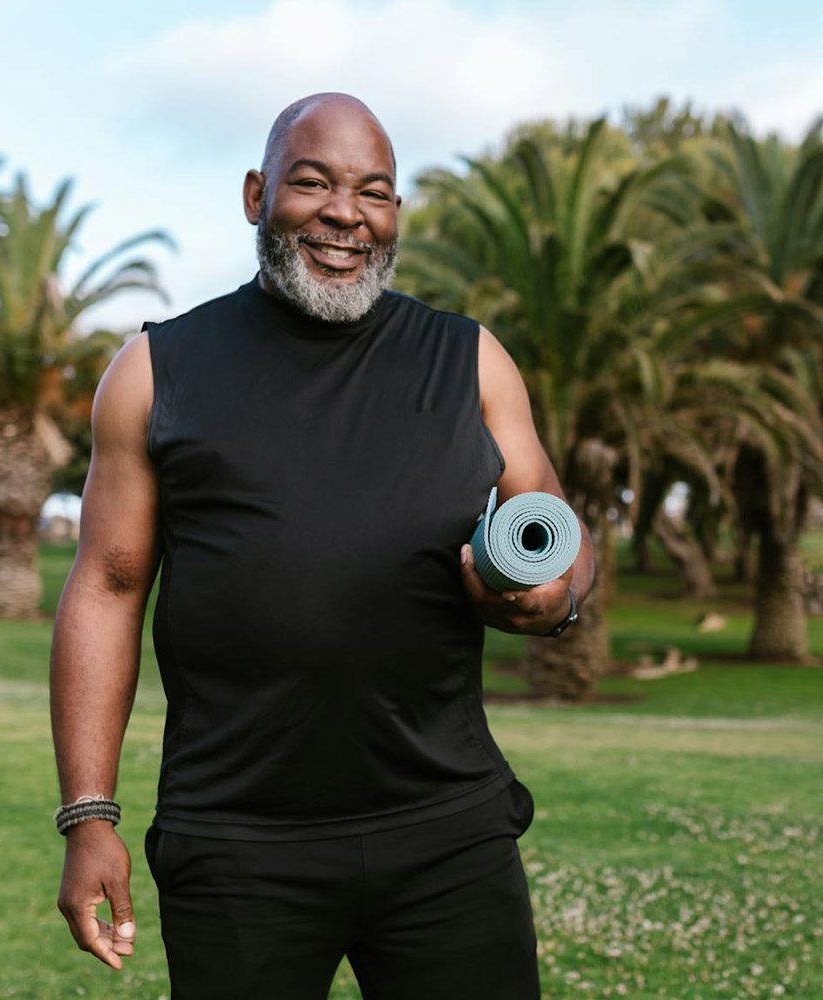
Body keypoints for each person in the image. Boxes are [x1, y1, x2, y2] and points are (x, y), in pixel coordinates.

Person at [50, 92, 594, 1000]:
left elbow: (557, 529)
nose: (346, 213)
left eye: (374, 192)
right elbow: (106, 589)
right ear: (258, 192)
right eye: (313, 182)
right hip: (236, 843)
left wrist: (556, 596)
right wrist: (87, 817)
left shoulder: (469, 360)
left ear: (395, 217)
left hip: (446, 830)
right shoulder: (155, 372)